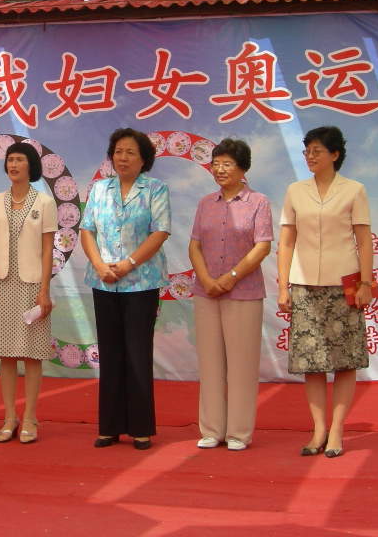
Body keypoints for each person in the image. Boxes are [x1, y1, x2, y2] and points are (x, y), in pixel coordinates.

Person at [277, 126, 373, 458]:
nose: (310, 156)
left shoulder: (354, 190)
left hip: (343, 283)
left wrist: (365, 283)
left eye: (317, 151)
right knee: (311, 361)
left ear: (335, 154)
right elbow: (286, 241)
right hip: (304, 285)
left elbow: (363, 241)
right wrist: (283, 286)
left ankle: (337, 430)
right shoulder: (295, 191)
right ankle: (318, 430)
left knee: (345, 360)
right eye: (307, 151)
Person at [80, 128, 171, 450]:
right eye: (118, 151)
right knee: (111, 353)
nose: (123, 158)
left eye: (130, 152)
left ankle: (141, 428)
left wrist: (129, 263)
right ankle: (109, 427)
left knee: (137, 353)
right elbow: (87, 230)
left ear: (144, 159)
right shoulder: (99, 189)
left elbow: (160, 232)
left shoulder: (155, 189)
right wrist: (100, 265)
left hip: (141, 283)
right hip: (103, 281)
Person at [187, 138, 272, 451]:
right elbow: (194, 245)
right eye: (216, 164)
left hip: (244, 293)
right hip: (206, 292)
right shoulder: (205, 203)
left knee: (241, 365)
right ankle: (212, 429)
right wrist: (207, 279)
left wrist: (231, 277)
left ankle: (238, 432)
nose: (220, 170)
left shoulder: (258, 202)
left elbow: (262, 246)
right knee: (210, 364)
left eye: (227, 164)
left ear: (243, 168)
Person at [0, 142, 57, 444]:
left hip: (32, 285)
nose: (13, 165)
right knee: (6, 355)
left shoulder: (45, 203)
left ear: (31, 166)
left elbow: (48, 250)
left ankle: (30, 417)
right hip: (1, 284)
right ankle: (9, 416)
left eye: (19, 160)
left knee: (32, 354)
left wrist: (45, 290)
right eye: (10, 159)